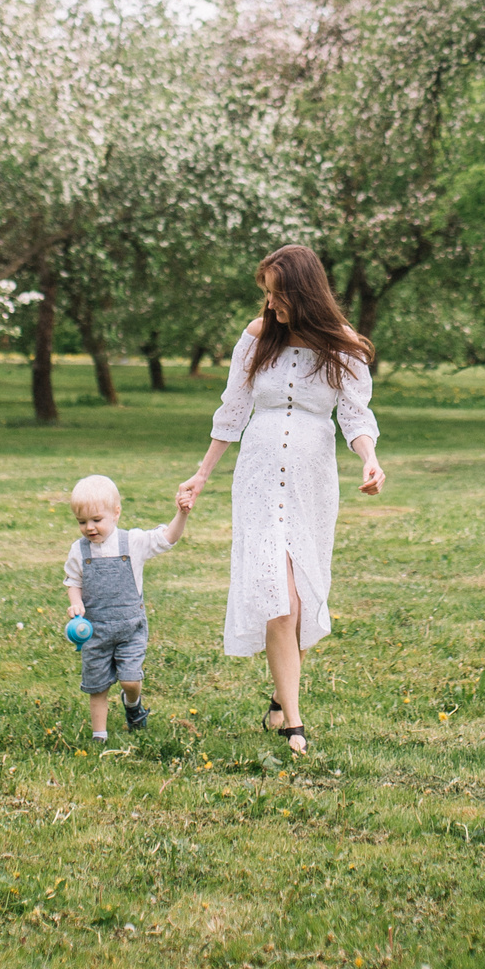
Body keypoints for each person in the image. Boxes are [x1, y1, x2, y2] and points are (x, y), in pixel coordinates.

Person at [175, 244, 385, 757]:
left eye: (277, 294)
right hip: (260, 475)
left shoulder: (345, 347)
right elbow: (233, 409)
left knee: (302, 594)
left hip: (313, 480)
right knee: (278, 594)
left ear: (303, 291)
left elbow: (355, 416)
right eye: (266, 295)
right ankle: (293, 723)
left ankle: (278, 698)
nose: (270, 305)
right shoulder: (256, 336)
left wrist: (369, 459)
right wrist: (202, 475)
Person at [61, 474, 186, 748]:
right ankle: (99, 735)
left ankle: (133, 704)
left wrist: (181, 513)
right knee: (97, 686)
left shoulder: (133, 542)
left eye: (96, 520)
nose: (89, 528)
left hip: (130, 628)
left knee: (130, 680)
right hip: (95, 631)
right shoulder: (79, 551)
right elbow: (73, 581)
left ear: (116, 513)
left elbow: (168, 538)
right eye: (82, 522)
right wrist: (75, 601)